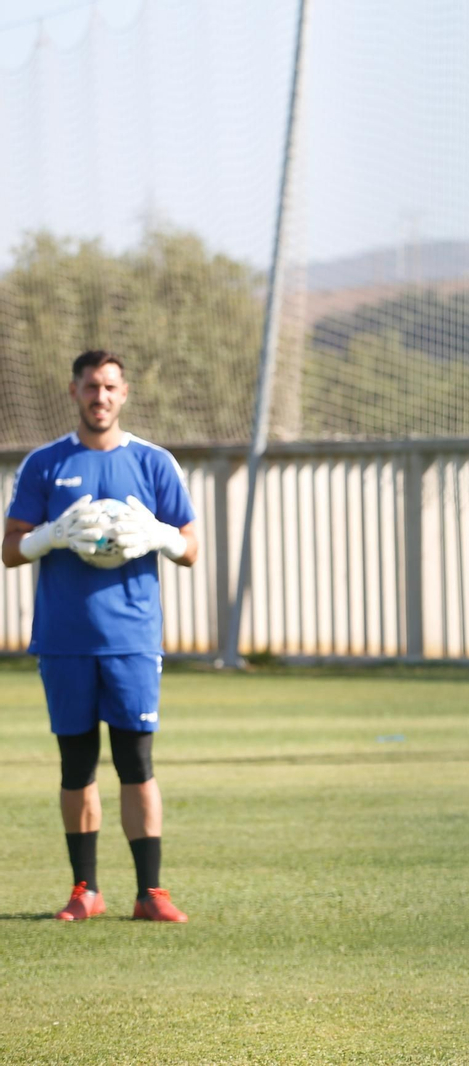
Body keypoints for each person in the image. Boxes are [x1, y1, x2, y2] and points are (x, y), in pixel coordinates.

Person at [3, 349, 200, 923]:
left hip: (133, 638)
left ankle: (151, 894)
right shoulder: (44, 464)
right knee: (76, 765)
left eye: (110, 387)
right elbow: (10, 548)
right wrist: (50, 537)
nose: (100, 397)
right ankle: (85, 888)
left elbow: (191, 549)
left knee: (136, 762)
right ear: (74, 392)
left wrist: (160, 536)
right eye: (91, 387)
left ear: (125, 392)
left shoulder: (155, 463)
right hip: (64, 640)